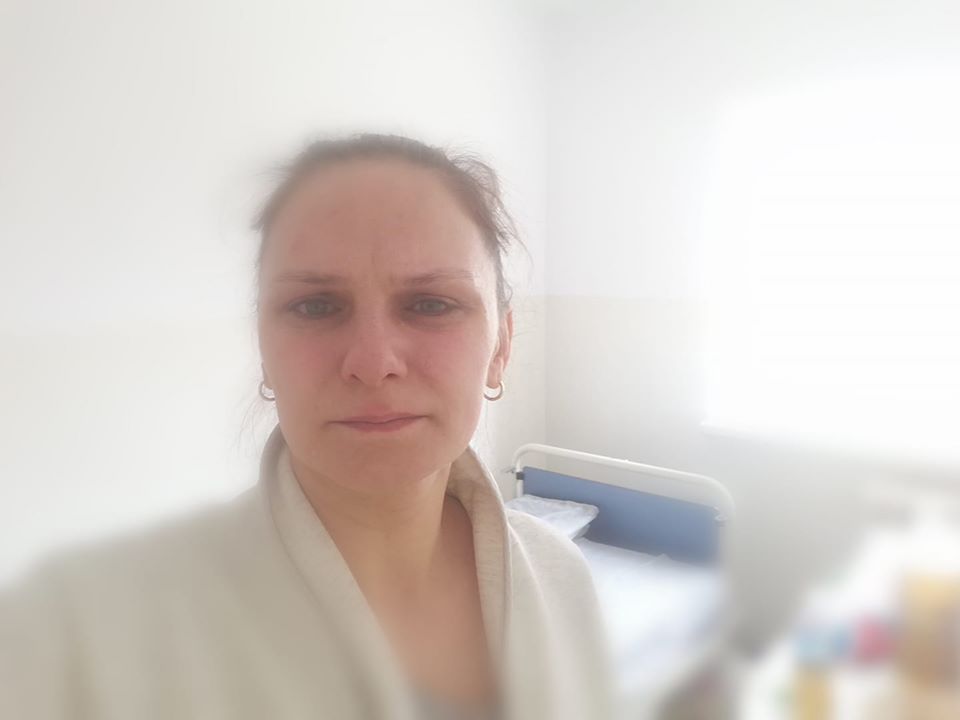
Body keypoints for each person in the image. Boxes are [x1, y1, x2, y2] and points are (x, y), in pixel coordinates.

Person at [0, 133, 615, 720]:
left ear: (501, 344)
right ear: (264, 348)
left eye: (430, 304)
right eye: (315, 306)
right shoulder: (89, 639)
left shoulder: (561, 579)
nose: (372, 362)